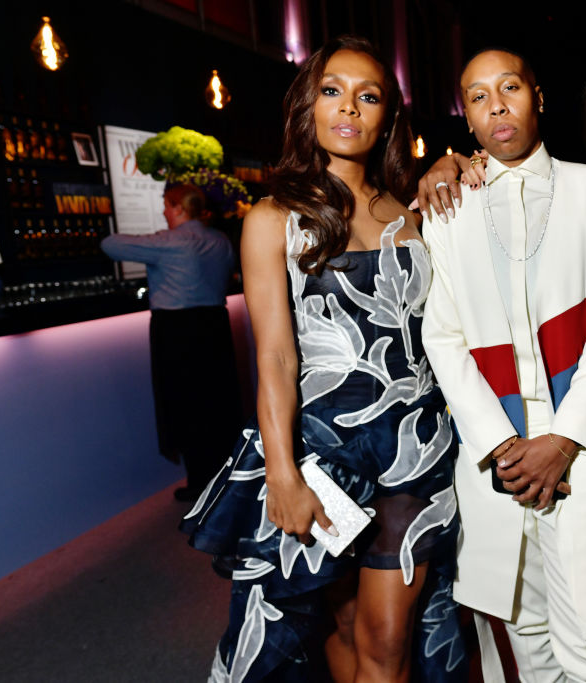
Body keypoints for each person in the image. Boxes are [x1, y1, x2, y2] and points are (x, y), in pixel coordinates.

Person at [179, 36, 465, 682]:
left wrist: (452, 165)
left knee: (389, 638)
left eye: (369, 96)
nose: (349, 108)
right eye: (332, 91)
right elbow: (275, 357)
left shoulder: (415, 213)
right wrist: (282, 472)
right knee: (336, 624)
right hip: (322, 453)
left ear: (388, 117)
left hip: (415, 449)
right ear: (308, 106)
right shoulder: (273, 218)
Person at [418, 48, 586, 682]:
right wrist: (501, 445)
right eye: (478, 97)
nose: (497, 106)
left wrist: (565, 439)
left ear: (536, 96)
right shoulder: (447, 208)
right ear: (466, 116)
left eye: (509, 87)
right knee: (521, 641)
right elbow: (444, 337)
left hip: (581, 441)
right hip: (497, 452)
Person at [101, 183, 243, 502]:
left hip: (177, 330)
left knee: (185, 405)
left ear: (179, 207)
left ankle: (200, 482)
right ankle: (226, 475)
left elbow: (110, 244)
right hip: (215, 326)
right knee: (217, 402)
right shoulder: (219, 239)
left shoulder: (168, 242)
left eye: (166, 205)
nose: (164, 211)